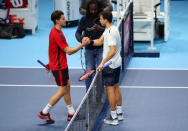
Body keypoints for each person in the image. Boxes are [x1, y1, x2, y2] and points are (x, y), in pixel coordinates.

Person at [37, 10, 89, 124]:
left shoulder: (53, 31)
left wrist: (50, 64)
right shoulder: (58, 34)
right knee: (62, 90)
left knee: (67, 86)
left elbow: (52, 50)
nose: (65, 20)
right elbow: (69, 51)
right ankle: (44, 112)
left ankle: (71, 113)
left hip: (58, 65)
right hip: (60, 67)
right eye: (63, 18)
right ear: (57, 20)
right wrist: (82, 45)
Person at [87, 11, 123, 125]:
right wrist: (90, 42)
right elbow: (100, 41)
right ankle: (119, 113)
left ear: (106, 20)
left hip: (110, 66)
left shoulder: (111, 32)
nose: (100, 21)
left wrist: (102, 62)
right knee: (116, 87)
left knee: (110, 89)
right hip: (116, 63)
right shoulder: (111, 29)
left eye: (101, 19)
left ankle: (113, 117)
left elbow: (112, 51)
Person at [75, 0, 104, 92]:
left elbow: (109, 30)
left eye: (95, 10)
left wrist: (101, 29)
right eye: (91, 10)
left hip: (101, 49)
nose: (93, 12)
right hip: (89, 50)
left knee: (99, 72)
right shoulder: (84, 19)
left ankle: (99, 94)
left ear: (98, 9)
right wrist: (81, 40)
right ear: (88, 10)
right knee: (89, 71)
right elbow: (78, 32)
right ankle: (89, 94)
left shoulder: (102, 18)